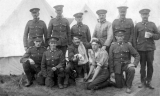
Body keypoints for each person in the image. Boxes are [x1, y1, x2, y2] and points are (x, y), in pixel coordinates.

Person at [133, 9, 160, 89]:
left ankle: (149, 81)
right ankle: (142, 81)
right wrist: (135, 48)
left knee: (150, 65)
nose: (145, 16)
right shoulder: (137, 25)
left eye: (146, 14)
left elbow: (158, 36)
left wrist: (152, 35)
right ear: (141, 16)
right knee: (142, 66)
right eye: (143, 15)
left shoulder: (152, 25)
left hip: (150, 49)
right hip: (141, 49)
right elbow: (134, 37)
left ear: (148, 15)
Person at [109, 29, 140, 93]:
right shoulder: (112, 46)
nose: (120, 37)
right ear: (115, 37)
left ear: (124, 37)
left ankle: (129, 86)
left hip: (126, 64)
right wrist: (112, 71)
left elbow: (137, 55)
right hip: (117, 66)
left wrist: (134, 64)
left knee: (131, 69)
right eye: (118, 36)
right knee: (119, 86)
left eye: (121, 36)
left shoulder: (128, 45)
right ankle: (122, 79)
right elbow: (111, 60)